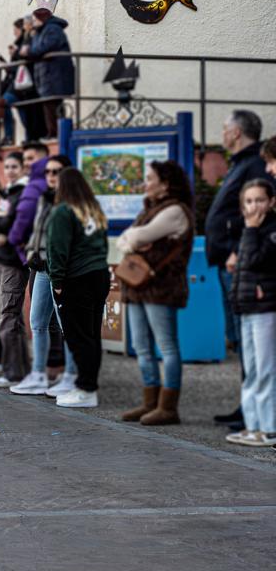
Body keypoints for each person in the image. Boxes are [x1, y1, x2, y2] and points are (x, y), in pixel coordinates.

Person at [204, 111, 272, 428]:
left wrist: (235, 250)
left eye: (225, 127)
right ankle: (248, 404)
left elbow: (256, 213)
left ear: (237, 132)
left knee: (250, 342)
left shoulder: (255, 165)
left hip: (239, 261)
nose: (222, 132)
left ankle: (254, 411)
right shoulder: (241, 163)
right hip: (230, 261)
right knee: (240, 339)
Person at [117, 161, 195, 426]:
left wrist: (135, 238)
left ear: (166, 183)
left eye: (150, 178)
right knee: (141, 345)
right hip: (140, 286)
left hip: (162, 288)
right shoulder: (151, 209)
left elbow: (137, 238)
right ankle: (150, 401)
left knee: (166, 346)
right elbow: (125, 239)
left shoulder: (175, 211)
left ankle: (168, 406)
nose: (145, 182)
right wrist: (133, 237)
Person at [11, 155, 80, 397]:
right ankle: (38, 375)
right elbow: (36, 234)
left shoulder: (71, 203)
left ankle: (72, 376)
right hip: (40, 267)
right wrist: (27, 255)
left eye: (57, 171)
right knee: (37, 323)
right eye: (48, 172)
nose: (51, 176)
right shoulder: (46, 199)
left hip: (60, 270)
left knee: (66, 325)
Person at [47, 168, 110, 408]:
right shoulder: (93, 210)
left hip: (77, 278)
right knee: (92, 335)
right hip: (99, 274)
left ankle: (86, 389)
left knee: (77, 336)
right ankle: (88, 386)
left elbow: (57, 249)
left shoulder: (63, 211)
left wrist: (57, 282)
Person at [226, 179, 276, 446]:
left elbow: (256, 261)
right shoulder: (249, 230)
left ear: (271, 202)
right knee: (251, 369)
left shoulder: (267, 230)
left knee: (266, 369)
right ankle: (253, 424)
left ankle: (269, 428)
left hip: (266, 306)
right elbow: (241, 267)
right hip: (246, 305)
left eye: (259, 200)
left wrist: (251, 231)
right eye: (248, 201)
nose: (253, 206)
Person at [0, 152, 30, 388]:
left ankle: (14, 373)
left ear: (22, 168)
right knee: (11, 316)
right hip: (4, 258)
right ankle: (20, 370)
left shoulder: (20, 193)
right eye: (8, 166)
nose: (10, 170)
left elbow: (1, 222)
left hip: (13, 259)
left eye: (15, 166)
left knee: (8, 315)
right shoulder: (9, 191)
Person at [15, 8, 73, 139]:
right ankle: (54, 132)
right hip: (48, 74)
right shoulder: (41, 31)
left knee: (53, 104)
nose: (33, 22)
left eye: (35, 19)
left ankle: (57, 133)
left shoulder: (53, 29)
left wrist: (28, 51)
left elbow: (44, 48)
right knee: (49, 104)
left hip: (55, 74)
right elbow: (35, 49)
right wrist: (27, 51)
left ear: (42, 18)